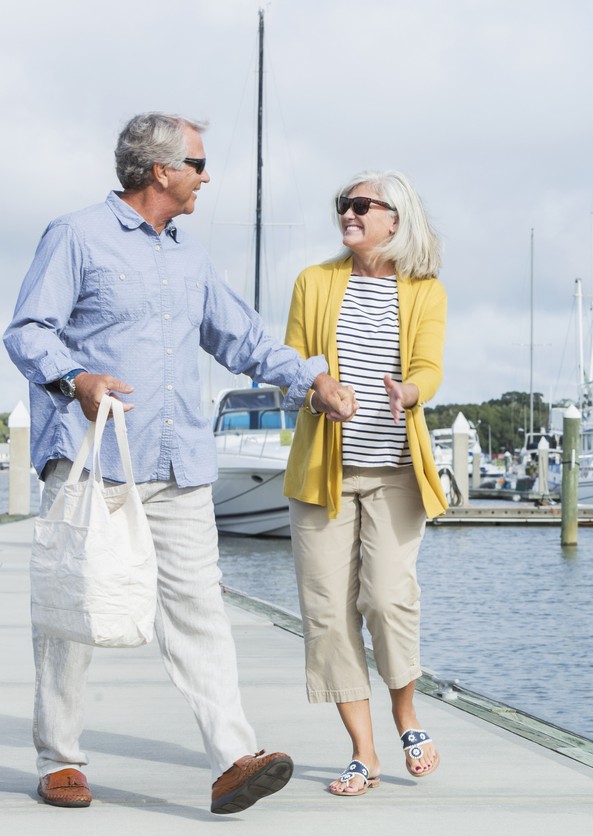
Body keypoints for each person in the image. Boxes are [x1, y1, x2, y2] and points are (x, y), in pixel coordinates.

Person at [4, 112, 357, 814]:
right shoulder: (75, 236)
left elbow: (244, 337)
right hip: (92, 459)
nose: (206, 176)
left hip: (180, 463)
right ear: (160, 170)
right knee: (76, 611)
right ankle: (60, 760)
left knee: (199, 609)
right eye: (197, 163)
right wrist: (78, 379)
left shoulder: (191, 258)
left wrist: (309, 378)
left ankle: (233, 759)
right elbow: (27, 330)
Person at [282, 170, 449, 796]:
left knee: (386, 599)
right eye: (342, 206)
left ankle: (406, 714)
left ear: (394, 219)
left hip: (396, 475)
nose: (348, 214)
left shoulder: (425, 290)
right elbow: (293, 368)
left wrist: (410, 392)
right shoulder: (315, 283)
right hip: (323, 476)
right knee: (326, 614)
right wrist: (318, 392)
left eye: (360, 205)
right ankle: (363, 751)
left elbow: (429, 365)